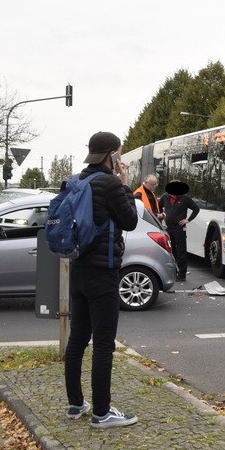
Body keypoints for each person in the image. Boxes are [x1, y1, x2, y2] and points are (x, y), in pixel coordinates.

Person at [64, 131, 140, 428]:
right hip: (103, 273)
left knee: (77, 339)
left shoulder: (77, 181)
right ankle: (101, 412)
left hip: (78, 269)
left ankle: (75, 405)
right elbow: (130, 221)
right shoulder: (109, 184)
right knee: (104, 344)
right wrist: (125, 185)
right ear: (112, 155)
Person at [159, 179, 199, 281]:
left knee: (181, 251)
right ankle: (172, 272)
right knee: (171, 251)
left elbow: (196, 208)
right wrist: (160, 217)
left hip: (179, 228)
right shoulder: (164, 197)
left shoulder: (184, 198)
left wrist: (188, 220)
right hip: (168, 228)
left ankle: (182, 274)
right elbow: (158, 208)